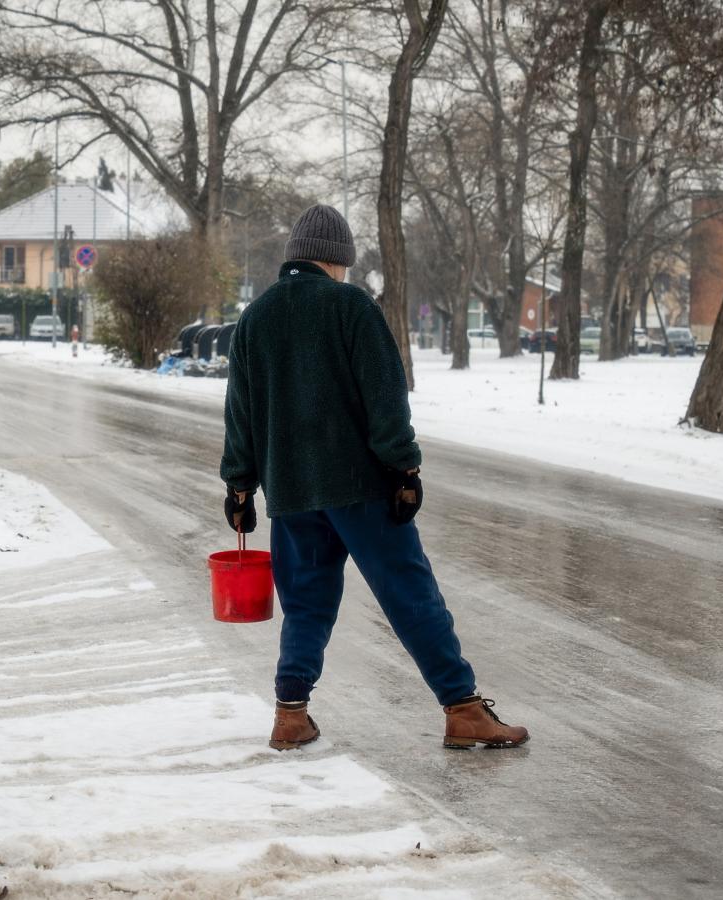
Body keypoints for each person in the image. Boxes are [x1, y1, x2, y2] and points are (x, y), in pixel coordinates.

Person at [219, 204, 529, 752]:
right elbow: (386, 397)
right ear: (337, 260)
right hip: (360, 487)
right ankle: (462, 708)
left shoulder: (255, 317)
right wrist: (404, 468)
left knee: (306, 606)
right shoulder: (349, 306)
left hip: (290, 492)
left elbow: (240, 413)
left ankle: (291, 715)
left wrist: (239, 486)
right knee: (410, 594)